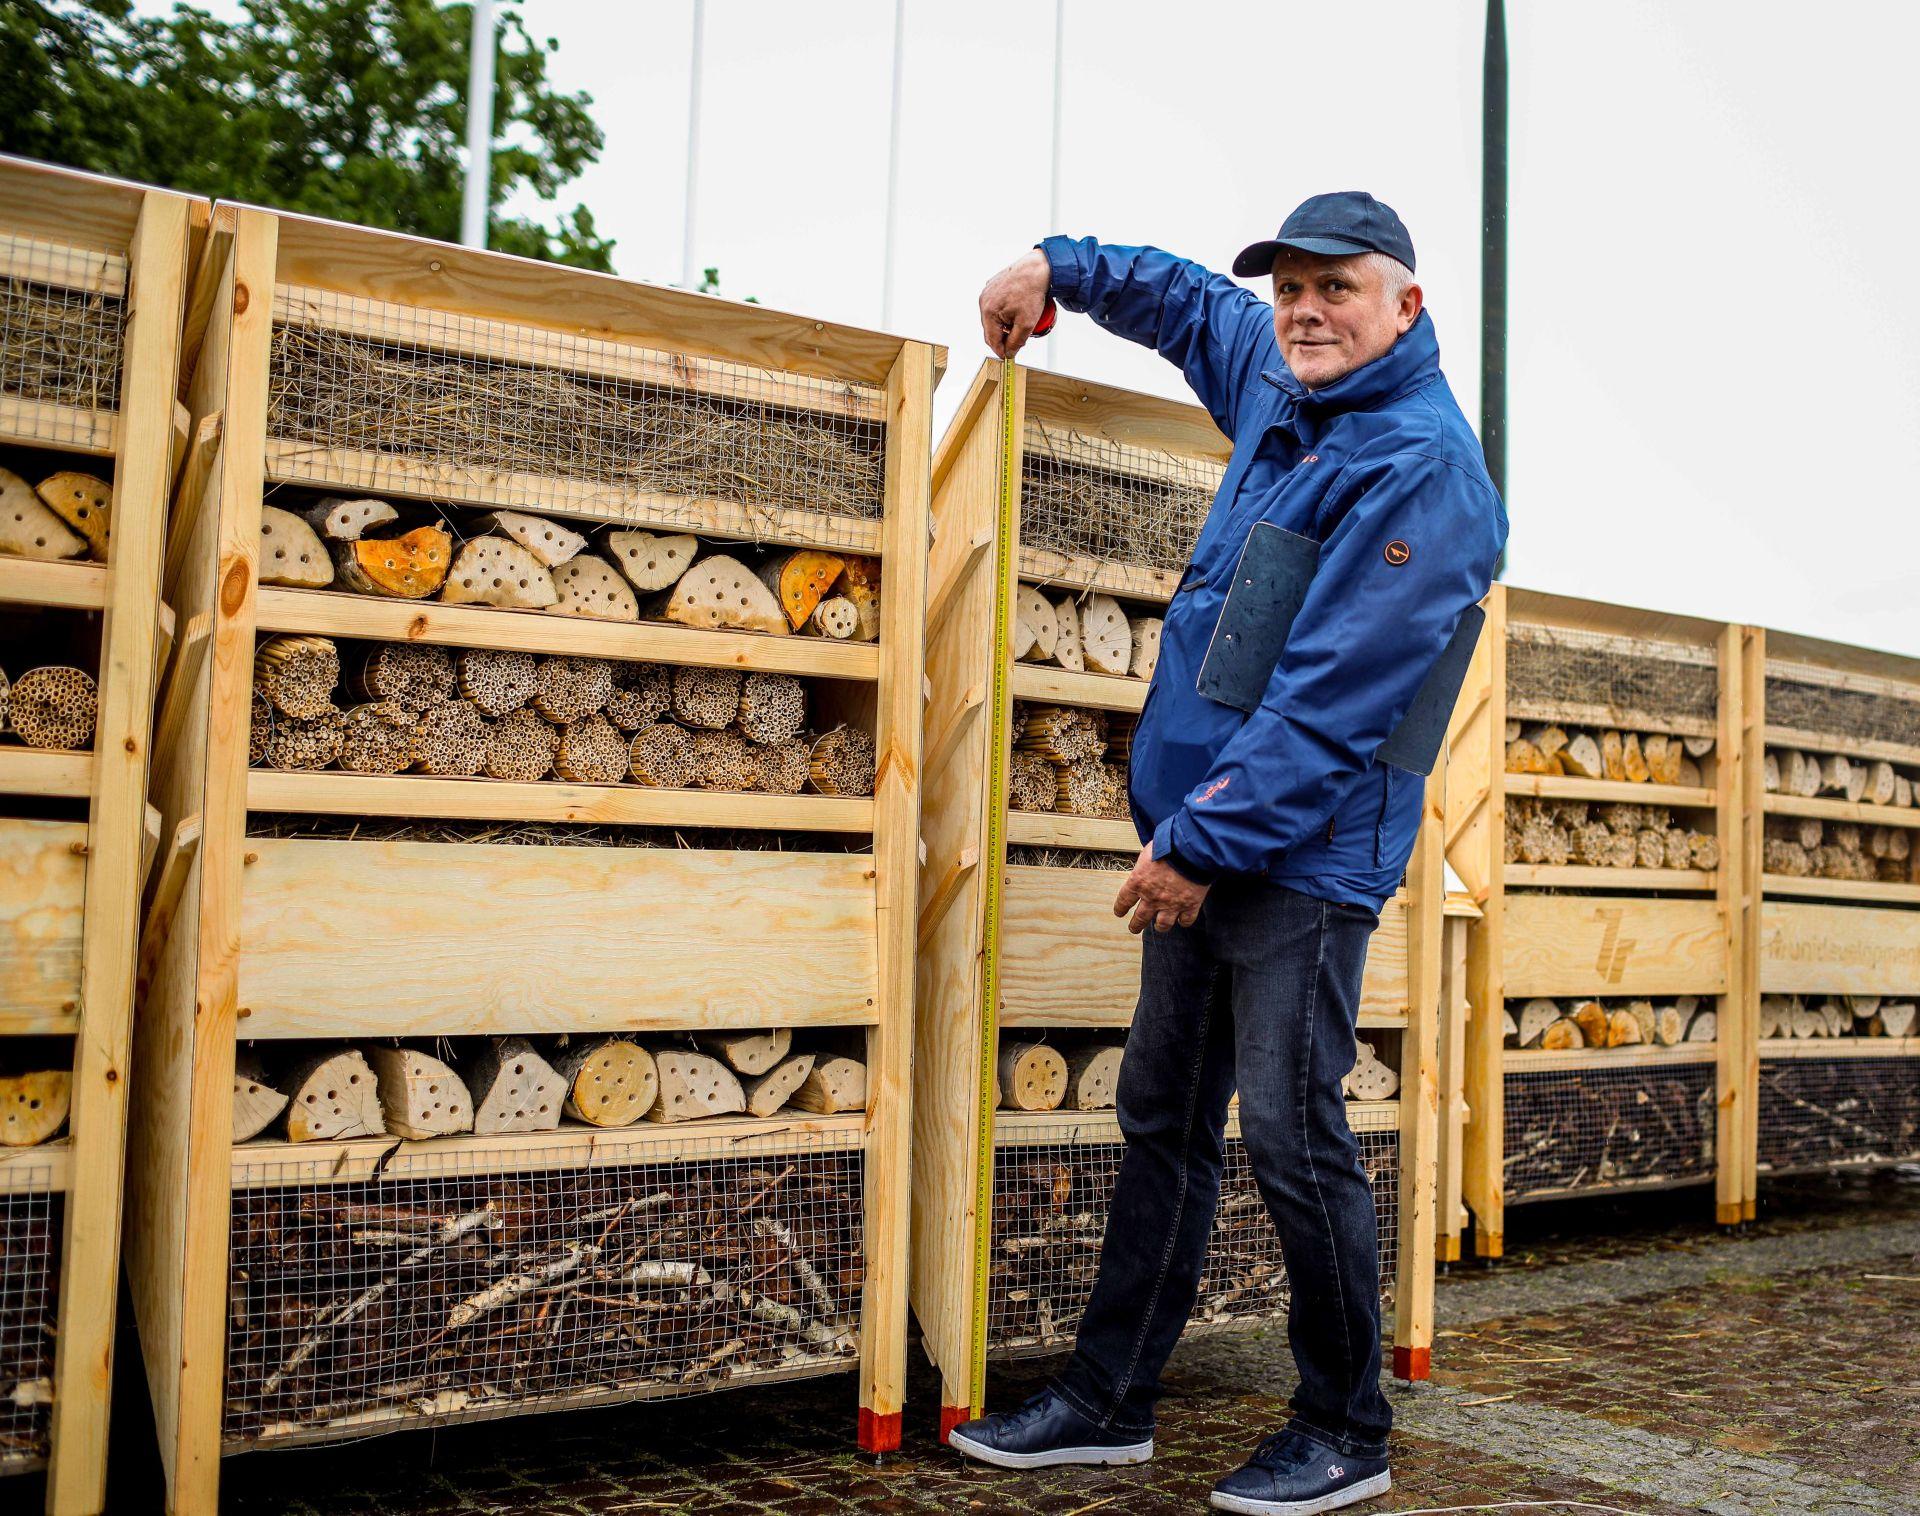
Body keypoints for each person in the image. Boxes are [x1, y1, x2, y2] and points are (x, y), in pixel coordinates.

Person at [948, 193, 1507, 1516]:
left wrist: (1200, 844)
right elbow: (1196, 300)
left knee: (1294, 1130)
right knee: (1163, 1117)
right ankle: (1106, 1399)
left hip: (1300, 858)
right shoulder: (1283, 384)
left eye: (1339, 290)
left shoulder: (1421, 466)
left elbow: (1336, 694)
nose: (1305, 312)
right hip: (1209, 834)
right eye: (1292, 290)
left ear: (1407, 309)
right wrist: (1060, 270)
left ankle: (1344, 1424)